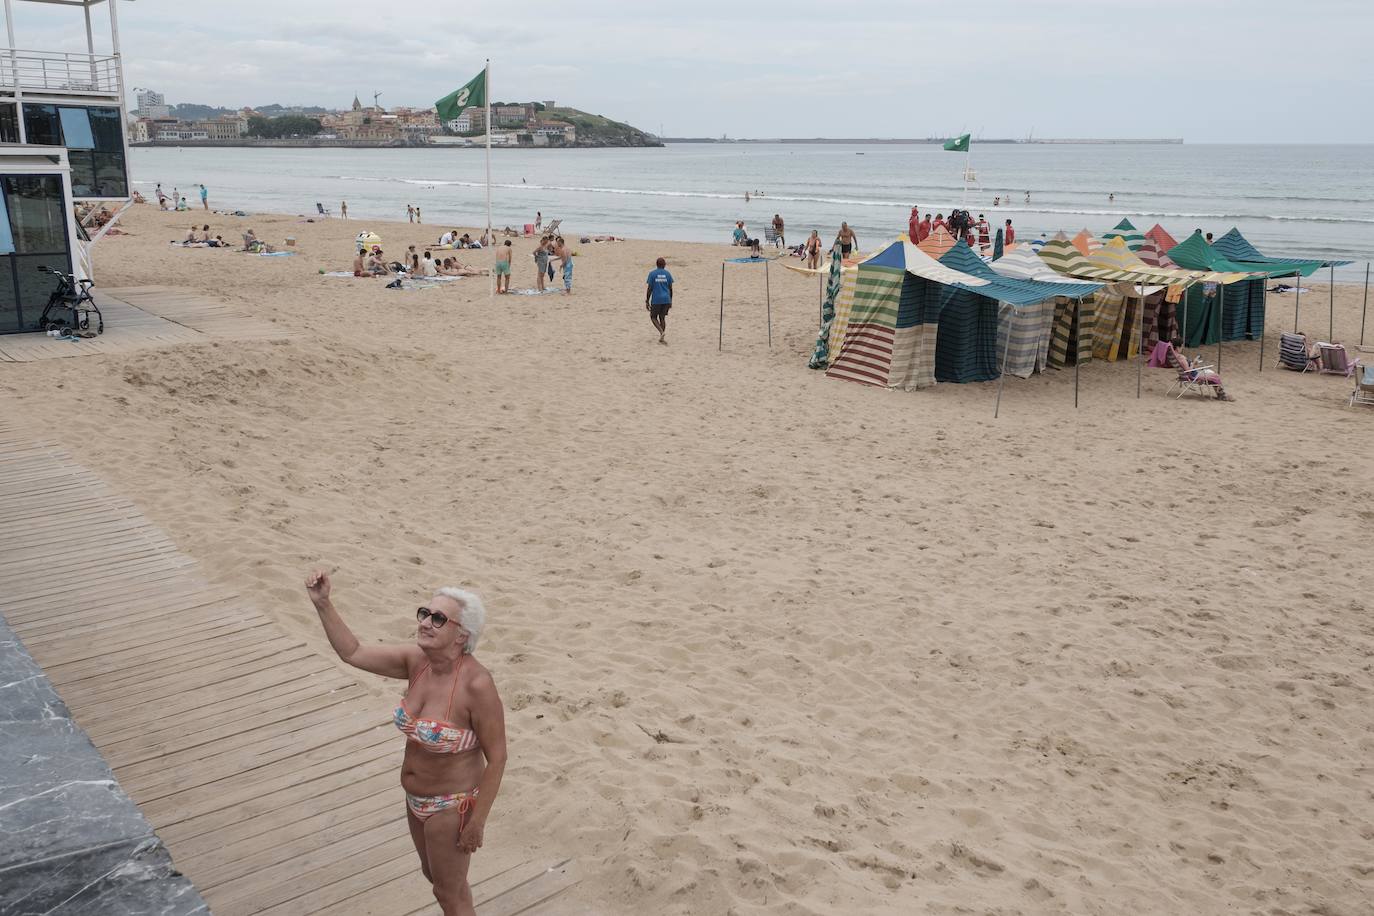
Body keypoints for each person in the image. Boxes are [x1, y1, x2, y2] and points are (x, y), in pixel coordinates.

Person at [305, 570, 506, 916]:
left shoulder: (477, 685)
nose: (426, 622)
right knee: (439, 880)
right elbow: (352, 652)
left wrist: (477, 821)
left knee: (449, 893)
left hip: (451, 805)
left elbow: (498, 757)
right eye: (425, 613)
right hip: (414, 799)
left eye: (439, 618)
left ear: (462, 635)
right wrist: (323, 604)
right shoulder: (417, 662)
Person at [1162, 337, 1234, 401]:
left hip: (1185, 375)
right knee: (1214, 376)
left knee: (1210, 374)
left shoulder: (1175, 357)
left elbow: (1186, 370)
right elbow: (1189, 371)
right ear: (1177, 347)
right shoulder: (1181, 358)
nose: (1182, 348)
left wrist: (1193, 363)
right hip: (1193, 376)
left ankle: (1221, 394)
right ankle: (1222, 395)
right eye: (1181, 347)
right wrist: (1194, 363)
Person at [645, 256, 673, 344]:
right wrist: (670, 300)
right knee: (662, 317)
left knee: (653, 317)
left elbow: (650, 288)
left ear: (656, 265)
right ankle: (662, 337)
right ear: (664, 265)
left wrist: (647, 300)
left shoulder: (652, 274)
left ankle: (661, 332)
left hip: (657, 299)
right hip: (666, 299)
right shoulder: (668, 274)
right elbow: (670, 288)